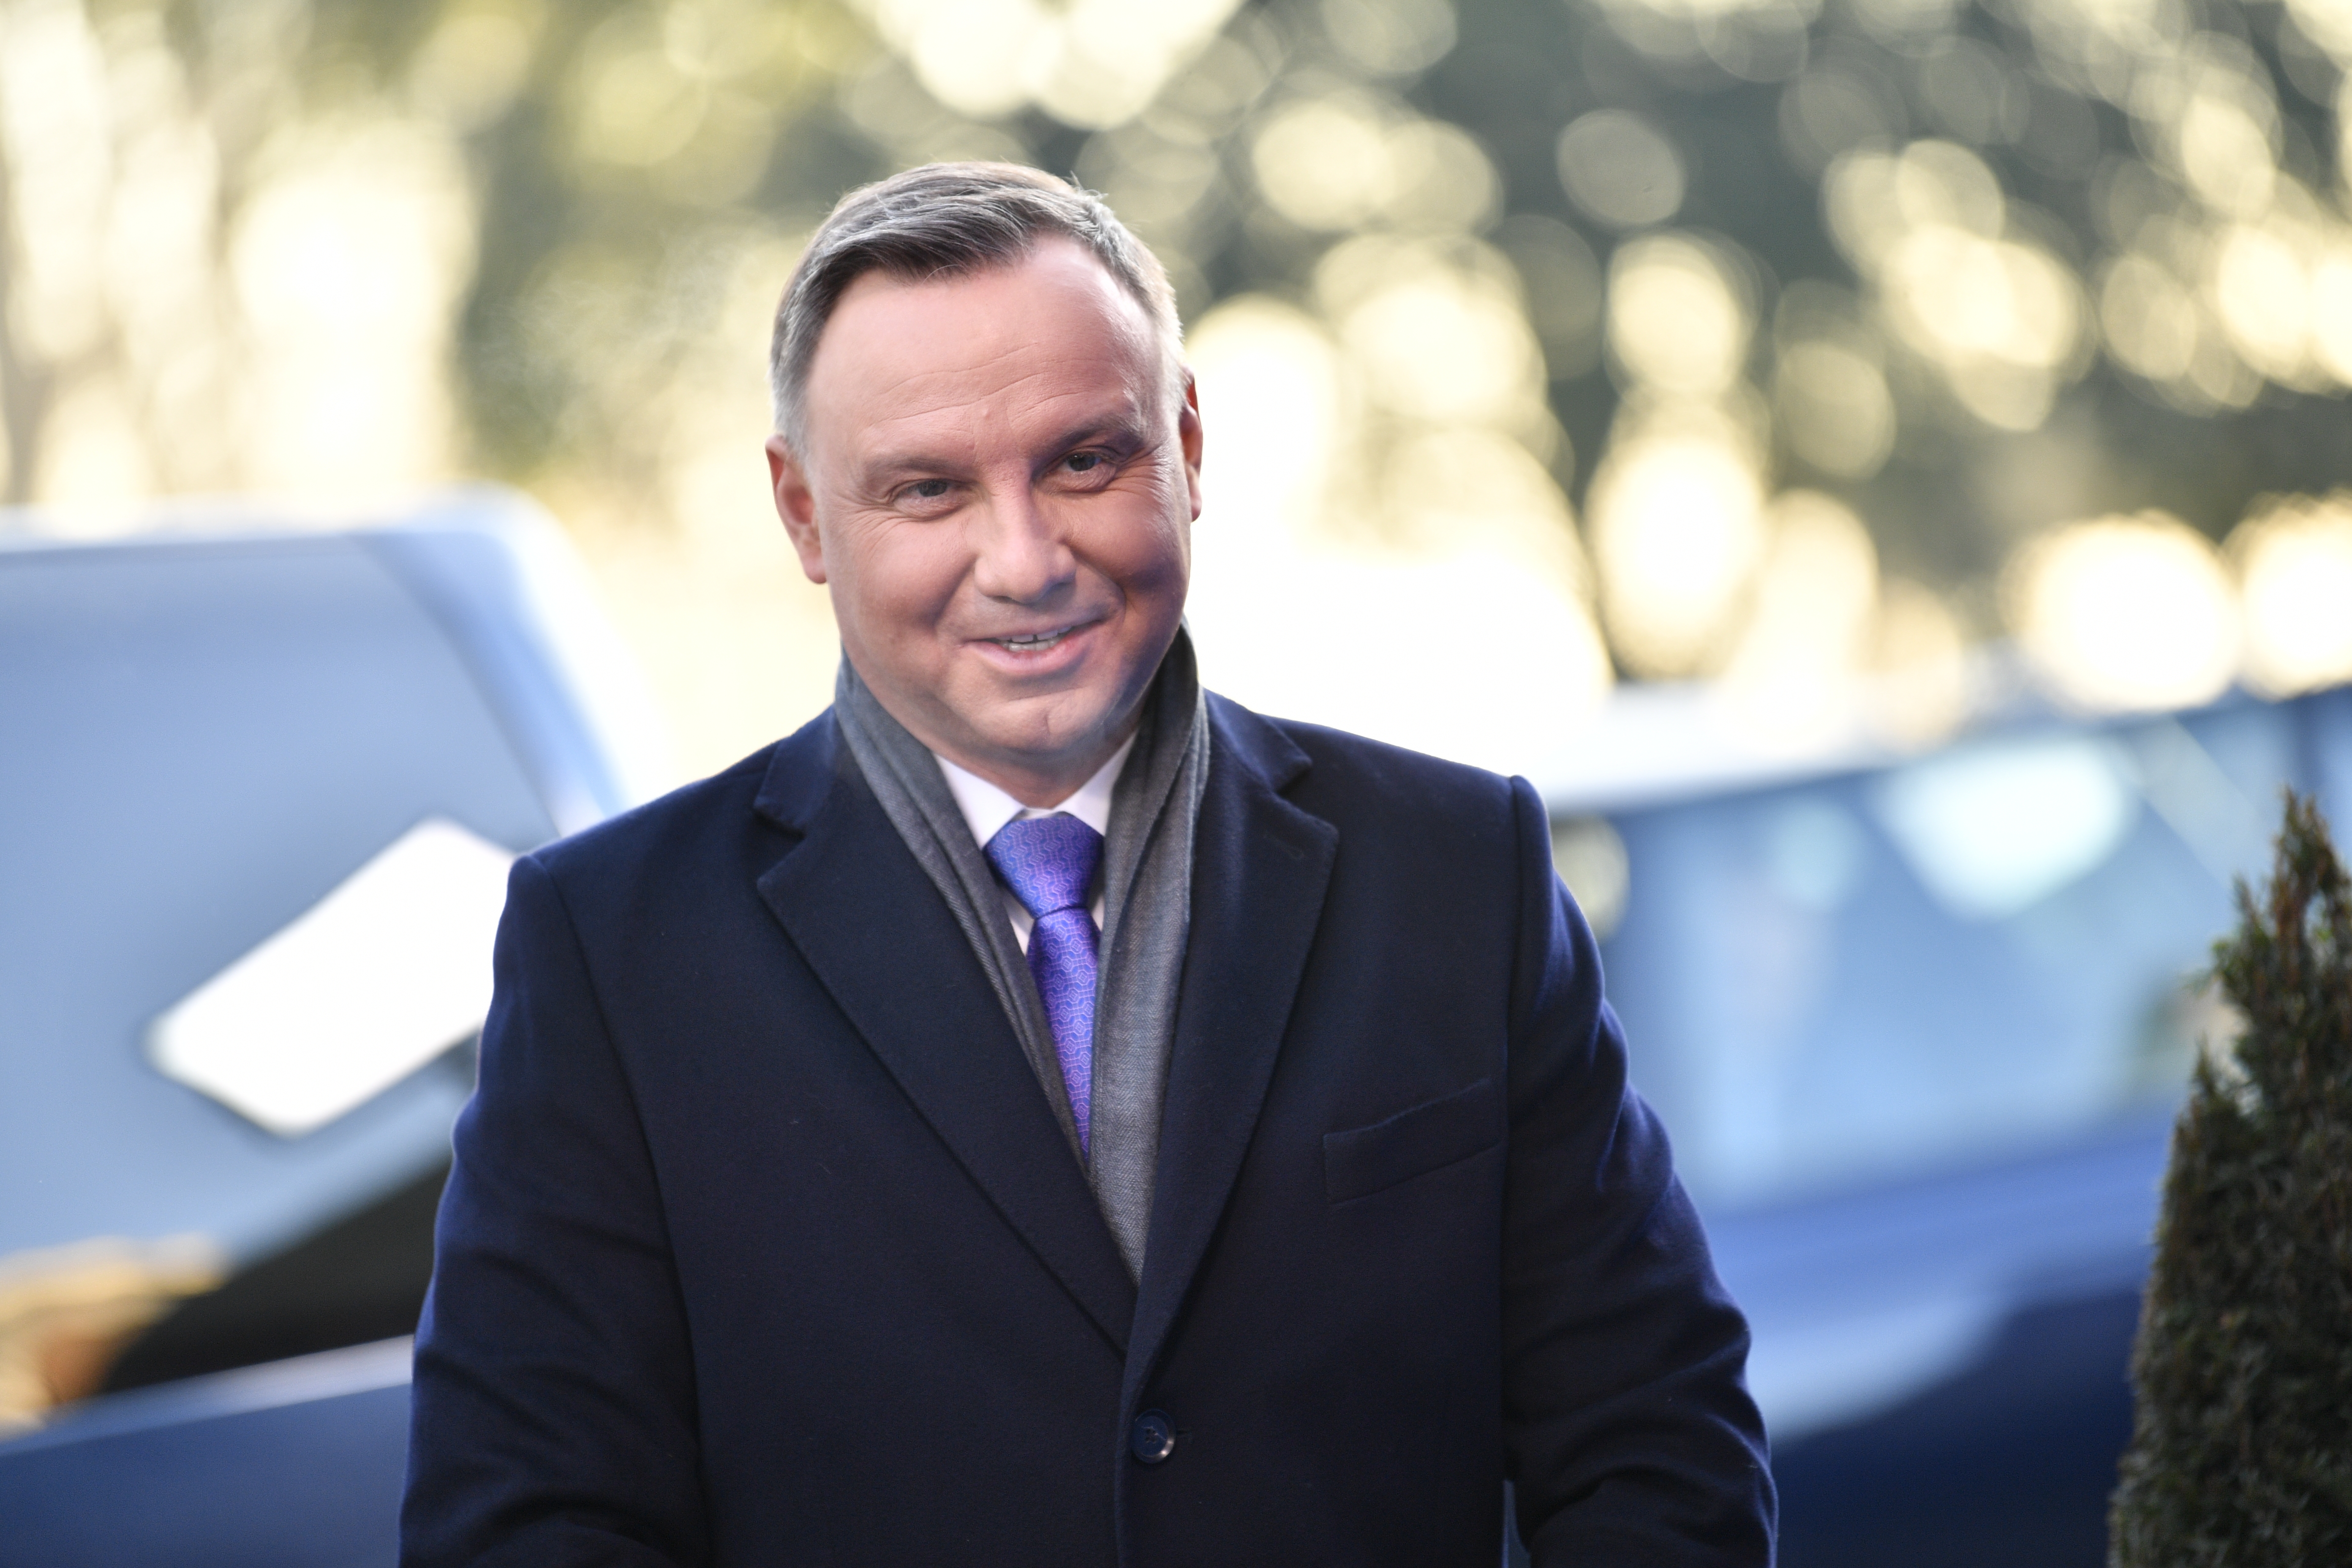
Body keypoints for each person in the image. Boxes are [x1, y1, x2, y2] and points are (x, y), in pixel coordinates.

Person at [401, 162, 1773, 1566]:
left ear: (1185, 443)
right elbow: (530, 1527)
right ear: (805, 516)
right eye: (929, 490)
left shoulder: (1456, 872)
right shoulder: (615, 952)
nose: (1026, 560)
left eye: (1082, 460)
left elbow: (1653, 1439)